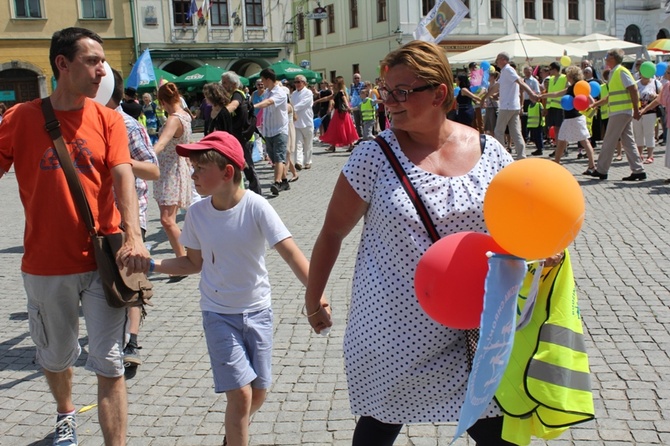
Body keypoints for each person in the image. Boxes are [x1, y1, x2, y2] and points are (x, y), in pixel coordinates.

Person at [304, 39, 519, 446]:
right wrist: (313, 301)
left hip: (471, 331)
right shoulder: (373, 156)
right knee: (377, 429)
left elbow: (517, 226)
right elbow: (332, 232)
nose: (389, 102)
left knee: (496, 432)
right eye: (386, 91)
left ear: (439, 93)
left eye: (401, 93)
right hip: (392, 331)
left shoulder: (491, 152)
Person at [0, 27, 150, 445]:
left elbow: (123, 175)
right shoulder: (21, 118)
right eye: (92, 60)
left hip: (104, 259)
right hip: (46, 265)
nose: (103, 69)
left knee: (110, 362)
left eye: (103, 60)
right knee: (56, 356)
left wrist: (133, 235)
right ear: (62, 65)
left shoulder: (108, 119)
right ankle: (66, 411)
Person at [150, 131, 327, 446]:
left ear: (227, 172)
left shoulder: (257, 207)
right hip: (218, 314)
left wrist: (317, 297)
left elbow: (291, 253)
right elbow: (192, 263)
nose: (192, 175)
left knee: (258, 392)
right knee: (241, 395)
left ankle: (232, 436)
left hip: (258, 310)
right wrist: (152, 264)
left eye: (199, 169)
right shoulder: (197, 214)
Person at [108, 68, 160, 380]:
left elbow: (152, 169)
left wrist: (117, 163)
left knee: (131, 279)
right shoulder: (80, 123)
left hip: (129, 214)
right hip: (94, 218)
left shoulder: (127, 124)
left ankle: (132, 342)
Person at [588, 48, 647, 181]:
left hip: (621, 111)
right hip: (620, 111)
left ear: (613, 58)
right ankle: (638, 170)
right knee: (628, 141)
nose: (605, 59)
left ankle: (602, 170)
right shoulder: (615, 72)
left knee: (609, 140)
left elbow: (633, 88)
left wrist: (636, 109)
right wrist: (596, 104)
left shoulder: (621, 71)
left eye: (607, 56)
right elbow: (611, 95)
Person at [153, 82, 193, 272]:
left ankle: (184, 260)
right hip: (176, 168)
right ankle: (183, 258)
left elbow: (161, 145)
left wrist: (143, 159)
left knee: (167, 220)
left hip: (171, 171)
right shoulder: (185, 114)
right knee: (170, 219)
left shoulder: (174, 119)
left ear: (161, 102)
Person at [480, 52, 540, 160]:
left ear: (503, 59)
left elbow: (520, 82)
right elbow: (497, 87)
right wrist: (487, 97)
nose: (496, 62)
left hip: (507, 107)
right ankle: (522, 156)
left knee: (498, 131)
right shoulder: (504, 71)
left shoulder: (508, 70)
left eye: (498, 59)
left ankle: (502, 156)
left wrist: (531, 93)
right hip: (513, 106)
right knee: (516, 132)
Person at [539, 66, 596, 172]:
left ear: (571, 76)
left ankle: (592, 165)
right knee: (561, 139)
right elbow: (557, 94)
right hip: (569, 118)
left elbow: (591, 100)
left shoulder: (578, 86)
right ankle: (557, 162)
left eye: (567, 74)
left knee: (584, 141)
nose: (566, 76)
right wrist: (542, 95)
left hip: (576, 117)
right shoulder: (571, 87)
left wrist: (588, 108)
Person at [221, 71, 262, 195]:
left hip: (244, 137)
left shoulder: (237, 94)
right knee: (239, 165)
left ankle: (257, 194)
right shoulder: (230, 95)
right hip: (237, 136)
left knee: (248, 166)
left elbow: (234, 105)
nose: (222, 85)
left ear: (233, 84)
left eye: (225, 83)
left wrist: (222, 113)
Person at [253, 68, 291, 195]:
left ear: (268, 79)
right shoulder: (267, 92)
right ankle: (285, 181)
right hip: (269, 130)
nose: (262, 83)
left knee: (279, 157)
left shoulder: (279, 92)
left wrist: (254, 106)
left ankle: (277, 182)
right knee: (274, 158)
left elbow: (268, 103)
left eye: (263, 80)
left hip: (280, 129)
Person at [320, 76, 359, 152]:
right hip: (339, 112)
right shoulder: (337, 92)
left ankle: (347, 145)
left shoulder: (341, 92)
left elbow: (345, 100)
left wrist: (348, 108)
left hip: (341, 113)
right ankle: (335, 145)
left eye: (335, 83)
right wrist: (317, 101)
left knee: (340, 128)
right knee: (338, 129)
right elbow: (328, 98)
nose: (333, 84)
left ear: (339, 84)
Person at [632, 70, 661, 163]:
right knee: (638, 133)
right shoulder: (635, 84)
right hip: (637, 111)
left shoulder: (656, 83)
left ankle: (650, 155)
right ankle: (639, 154)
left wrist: (655, 95)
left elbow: (661, 97)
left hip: (650, 111)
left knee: (649, 133)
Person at [290, 75, 314, 170]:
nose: (297, 84)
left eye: (299, 82)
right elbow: (291, 103)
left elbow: (304, 104)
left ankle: (308, 161)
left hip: (307, 121)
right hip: (296, 122)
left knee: (308, 143)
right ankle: (298, 162)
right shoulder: (293, 94)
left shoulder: (308, 93)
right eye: (295, 82)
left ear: (304, 83)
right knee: (297, 143)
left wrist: (291, 109)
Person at [350, 73, 365, 137]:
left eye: (358, 78)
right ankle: (359, 136)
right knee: (357, 122)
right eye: (355, 78)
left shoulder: (363, 85)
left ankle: (365, 135)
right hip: (355, 106)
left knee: (363, 122)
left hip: (362, 105)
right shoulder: (352, 86)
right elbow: (351, 95)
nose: (356, 79)